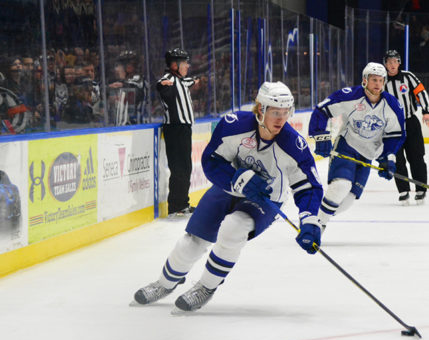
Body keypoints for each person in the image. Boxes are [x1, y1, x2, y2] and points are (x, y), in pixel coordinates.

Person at [133, 81, 323, 312]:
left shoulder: (294, 146)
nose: (281, 119)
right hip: (229, 187)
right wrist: (237, 179)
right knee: (191, 243)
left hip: (267, 198)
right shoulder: (233, 126)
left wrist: (310, 222)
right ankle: (164, 284)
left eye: (286, 113)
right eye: (275, 112)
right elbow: (211, 161)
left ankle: (206, 287)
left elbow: (309, 187)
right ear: (260, 110)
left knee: (234, 228)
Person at [309, 62, 405, 230]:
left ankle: (316, 216)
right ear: (365, 80)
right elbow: (321, 110)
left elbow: (395, 135)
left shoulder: (392, 105)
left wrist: (388, 159)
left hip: (367, 154)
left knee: (348, 201)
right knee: (341, 186)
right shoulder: (350, 95)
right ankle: (318, 225)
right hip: (346, 147)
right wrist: (321, 137)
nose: (377, 84)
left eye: (381, 80)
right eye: (373, 80)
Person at [383, 50, 429, 205]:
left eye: (394, 61)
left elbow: (421, 92)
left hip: (410, 122)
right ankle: (403, 191)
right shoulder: (380, 79)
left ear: (399, 63)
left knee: (416, 156)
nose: (392, 65)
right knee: (397, 160)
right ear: (385, 64)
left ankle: (420, 189)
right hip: (391, 126)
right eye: (389, 62)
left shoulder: (407, 76)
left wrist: (426, 111)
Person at [157, 48, 197, 215]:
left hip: (184, 128)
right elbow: (161, 85)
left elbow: (189, 81)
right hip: (175, 128)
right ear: (174, 65)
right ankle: (176, 206)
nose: (187, 66)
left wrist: (197, 80)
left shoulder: (181, 80)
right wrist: (161, 86)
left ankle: (182, 203)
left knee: (186, 167)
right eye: (184, 63)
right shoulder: (168, 80)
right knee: (179, 167)